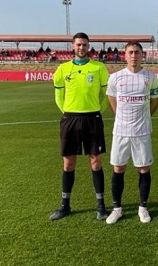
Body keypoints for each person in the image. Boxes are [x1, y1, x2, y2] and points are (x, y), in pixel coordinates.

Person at [50, 32, 110, 221]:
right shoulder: (62, 69)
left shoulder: (99, 68)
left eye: (84, 45)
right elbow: (59, 96)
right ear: (73, 46)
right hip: (70, 119)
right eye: (78, 45)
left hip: (93, 119)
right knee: (68, 163)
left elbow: (106, 95)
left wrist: (96, 110)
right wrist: (67, 112)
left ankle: (101, 206)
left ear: (88, 46)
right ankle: (65, 205)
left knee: (96, 161)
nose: (81, 48)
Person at [105, 41, 158, 224]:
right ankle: (117, 208)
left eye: (137, 52)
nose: (134, 56)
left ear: (142, 55)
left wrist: (143, 118)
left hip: (142, 131)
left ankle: (143, 208)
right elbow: (112, 100)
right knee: (118, 168)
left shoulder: (150, 78)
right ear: (125, 55)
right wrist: (121, 116)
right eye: (130, 52)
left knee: (143, 168)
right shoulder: (115, 78)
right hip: (120, 131)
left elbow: (154, 103)